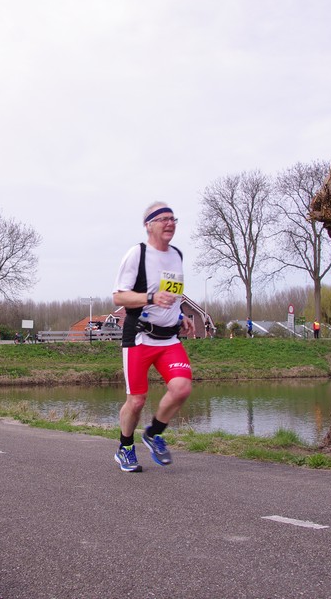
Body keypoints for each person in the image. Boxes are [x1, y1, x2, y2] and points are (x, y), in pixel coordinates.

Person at [112, 201, 195, 472]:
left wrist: (180, 316)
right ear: (149, 225)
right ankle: (125, 448)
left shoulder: (177, 255)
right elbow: (119, 297)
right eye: (163, 219)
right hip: (140, 337)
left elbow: (172, 294)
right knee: (137, 401)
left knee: (182, 388)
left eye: (173, 219)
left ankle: (154, 433)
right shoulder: (137, 254)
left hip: (169, 339)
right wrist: (150, 298)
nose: (170, 223)